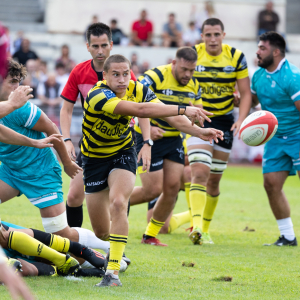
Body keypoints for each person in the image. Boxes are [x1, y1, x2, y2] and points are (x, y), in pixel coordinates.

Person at [83, 53, 223, 287]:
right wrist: (183, 109)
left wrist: (199, 132)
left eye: (125, 74)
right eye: (115, 74)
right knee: (100, 232)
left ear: (130, 73)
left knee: (119, 203)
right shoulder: (97, 94)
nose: (121, 79)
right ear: (104, 75)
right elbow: (141, 110)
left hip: (123, 153)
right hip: (94, 159)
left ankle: (113, 272)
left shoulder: (138, 88)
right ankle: (112, 249)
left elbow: (168, 116)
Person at [0, 59, 111, 255]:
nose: (17, 87)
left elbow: (53, 131)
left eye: (19, 81)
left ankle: (111, 247)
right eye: (11, 81)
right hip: (11, 172)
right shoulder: (9, 105)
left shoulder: (23, 108)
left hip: (40, 172)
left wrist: (67, 163)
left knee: (59, 233)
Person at [60, 22, 136, 228]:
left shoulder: (123, 71)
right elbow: (66, 110)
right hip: (92, 144)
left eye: (104, 45)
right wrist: (66, 139)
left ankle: (118, 249)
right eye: (95, 46)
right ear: (87, 47)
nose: (100, 51)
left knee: (118, 198)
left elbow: (140, 107)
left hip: (121, 142)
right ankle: (74, 247)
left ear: (112, 44)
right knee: (74, 196)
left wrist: (147, 139)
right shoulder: (79, 72)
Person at [129, 47, 206, 246]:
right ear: (173, 63)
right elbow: (135, 103)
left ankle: (149, 235)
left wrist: (197, 119)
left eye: (191, 70)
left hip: (174, 139)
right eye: (184, 69)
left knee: (171, 188)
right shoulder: (154, 77)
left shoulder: (194, 85)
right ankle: (117, 201)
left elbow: (199, 116)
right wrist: (146, 127)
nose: (188, 74)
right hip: (147, 137)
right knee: (152, 189)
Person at [187, 18, 251, 245]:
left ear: (223, 35)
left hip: (224, 122)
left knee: (214, 181)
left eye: (216, 34)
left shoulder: (236, 56)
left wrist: (241, 119)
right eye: (208, 35)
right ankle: (196, 228)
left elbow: (245, 93)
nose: (212, 39)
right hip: (198, 119)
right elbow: (183, 83)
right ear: (201, 36)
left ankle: (205, 228)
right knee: (199, 173)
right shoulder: (193, 54)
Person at [251, 32, 300, 246]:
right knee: (271, 184)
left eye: (262, 48)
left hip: (298, 136)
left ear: (276, 52)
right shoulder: (258, 76)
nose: (258, 51)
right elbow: (251, 100)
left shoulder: (293, 76)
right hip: (275, 139)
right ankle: (287, 236)